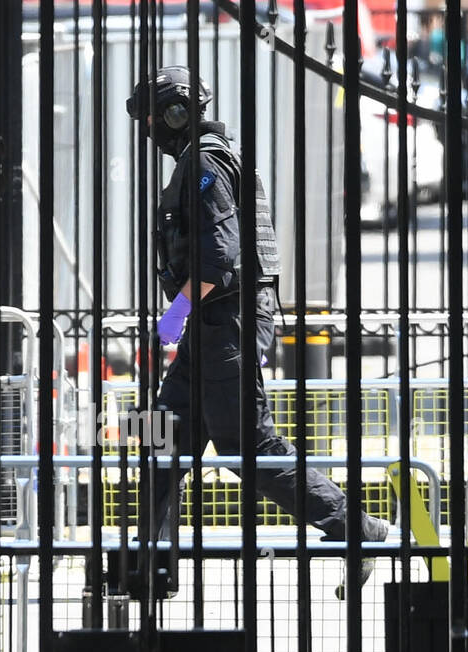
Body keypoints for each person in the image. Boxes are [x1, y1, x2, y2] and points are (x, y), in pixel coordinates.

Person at [126, 65, 390, 598]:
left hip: (227, 324)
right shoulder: (201, 163)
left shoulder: (205, 165)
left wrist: (171, 320)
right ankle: (149, 574)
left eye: (156, 116)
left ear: (178, 113)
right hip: (212, 326)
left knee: (247, 445)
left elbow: (219, 261)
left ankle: (356, 530)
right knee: (162, 442)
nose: (152, 128)